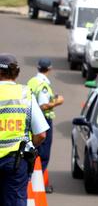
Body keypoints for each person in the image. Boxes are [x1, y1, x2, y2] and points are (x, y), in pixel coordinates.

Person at [0, 53, 48, 206]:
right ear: (16, 72)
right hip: (15, 162)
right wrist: (28, 145)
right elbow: (41, 133)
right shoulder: (24, 95)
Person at [27, 58, 64, 193]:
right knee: (43, 154)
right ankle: (37, 185)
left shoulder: (32, 81)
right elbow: (43, 105)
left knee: (33, 150)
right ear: (49, 68)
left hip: (31, 119)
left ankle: (32, 181)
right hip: (42, 120)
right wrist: (57, 102)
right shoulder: (43, 84)